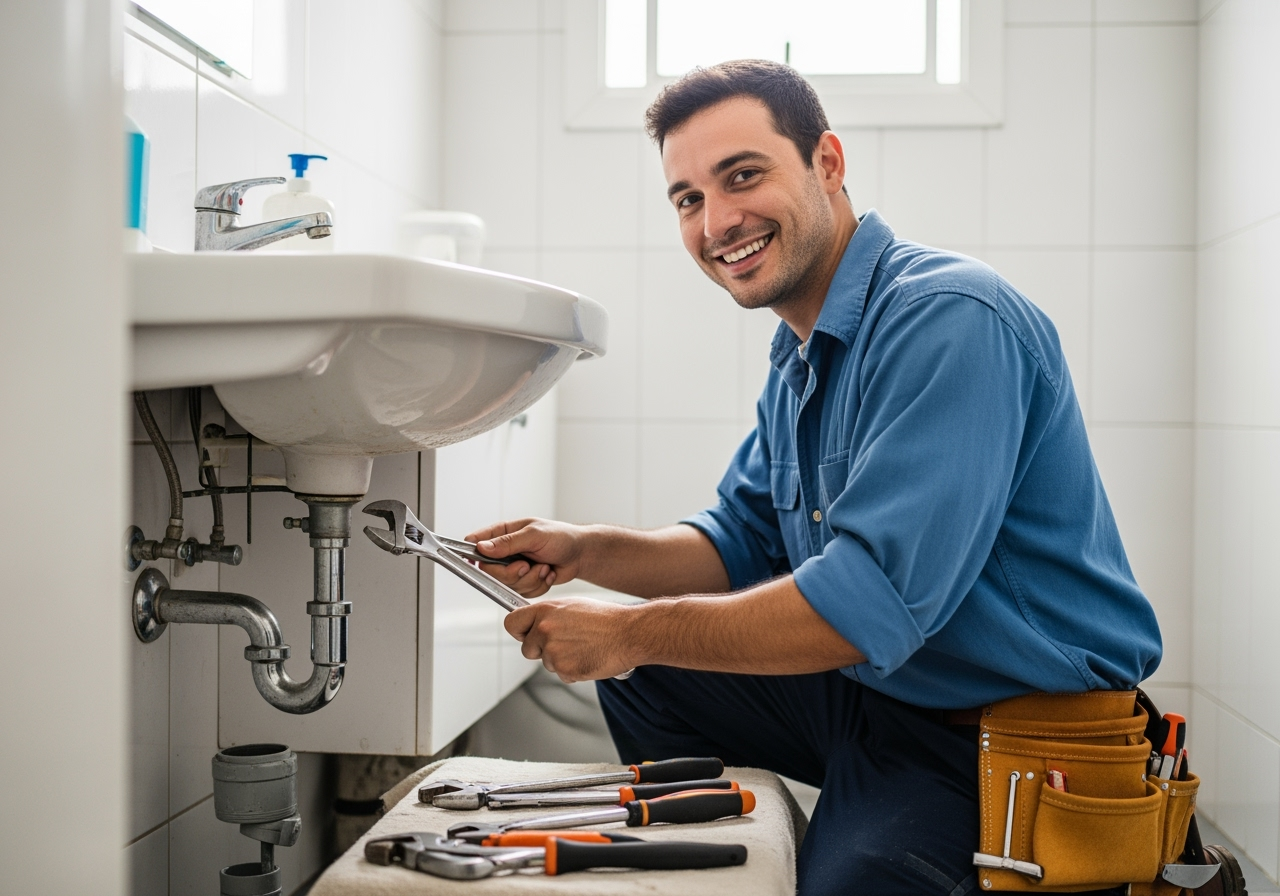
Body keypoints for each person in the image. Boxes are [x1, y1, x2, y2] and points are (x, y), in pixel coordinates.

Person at [467, 60, 1162, 896]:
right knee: (644, 673)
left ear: (826, 163)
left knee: (847, 876)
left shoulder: (951, 321)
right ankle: (741, 863)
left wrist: (629, 631)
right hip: (886, 705)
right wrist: (583, 550)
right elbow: (741, 538)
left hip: (1009, 743)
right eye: (688, 199)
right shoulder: (802, 353)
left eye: (743, 176)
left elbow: (871, 602)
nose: (717, 221)